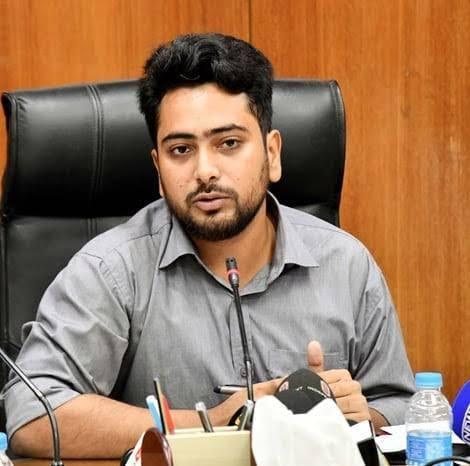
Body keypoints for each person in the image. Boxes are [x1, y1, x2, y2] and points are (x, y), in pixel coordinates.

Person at [3, 33, 415, 458]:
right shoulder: (111, 270)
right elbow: (31, 415)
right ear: (158, 169)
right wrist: (215, 423)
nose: (204, 171)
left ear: (272, 153)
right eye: (181, 149)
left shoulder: (345, 265)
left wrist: (359, 417)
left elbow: (401, 408)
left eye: (229, 143)